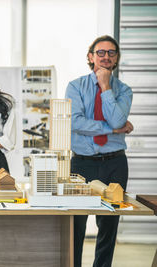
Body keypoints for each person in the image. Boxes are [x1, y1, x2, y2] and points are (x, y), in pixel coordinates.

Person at [65, 35, 134, 267]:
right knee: (76, 223)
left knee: (109, 223)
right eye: (101, 52)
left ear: (116, 59)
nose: (106, 56)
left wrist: (105, 86)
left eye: (111, 53)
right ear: (90, 56)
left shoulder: (124, 90)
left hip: (115, 163)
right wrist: (113, 129)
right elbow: (75, 123)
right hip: (82, 163)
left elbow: (117, 118)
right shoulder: (75, 86)